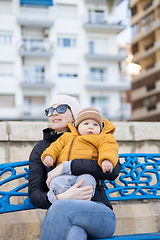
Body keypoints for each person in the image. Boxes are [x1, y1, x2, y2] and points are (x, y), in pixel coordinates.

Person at [28, 94, 121, 240]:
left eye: (61, 108)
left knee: (60, 208)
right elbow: (35, 194)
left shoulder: (96, 138)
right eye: (50, 111)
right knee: (73, 234)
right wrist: (62, 197)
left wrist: (67, 166)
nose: (55, 113)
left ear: (75, 115)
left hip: (99, 213)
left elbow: (113, 171)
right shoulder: (42, 149)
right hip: (63, 215)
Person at [41, 108, 119, 204]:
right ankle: (67, 200)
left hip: (86, 173)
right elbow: (55, 147)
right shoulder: (67, 137)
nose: (90, 127)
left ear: (101, 128)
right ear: (77, 126)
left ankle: (81, 202)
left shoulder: (102, 138)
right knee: (55, 183)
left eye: (95, 124)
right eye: (86, 123)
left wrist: (106, 159)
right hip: (64, 175)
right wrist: (49, 156)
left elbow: (109, 148)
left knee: (87, 183)